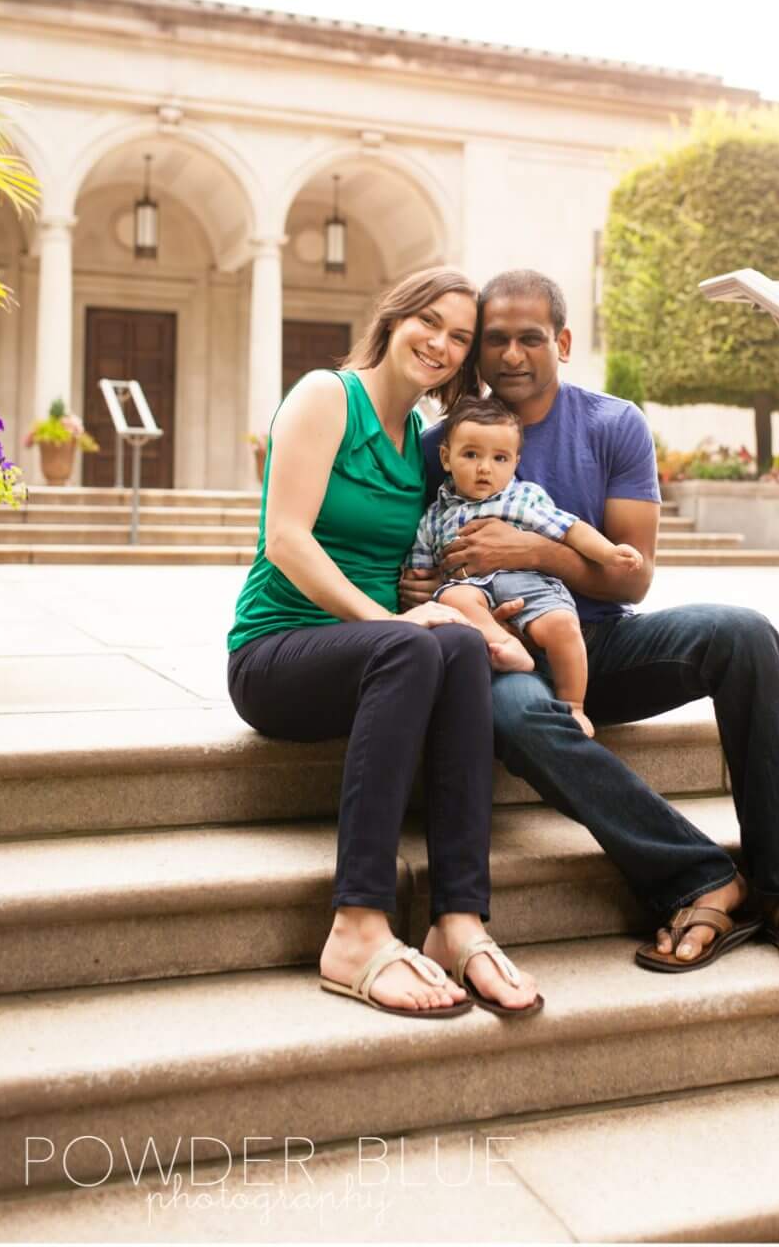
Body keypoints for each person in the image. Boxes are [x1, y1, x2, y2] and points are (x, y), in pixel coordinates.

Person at [399, 269, 779, 971]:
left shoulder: (613, 424)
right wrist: (425, 586)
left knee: (745, 635)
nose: (512, 355)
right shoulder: (440, 443)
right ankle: (700, 877)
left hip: (603, 640)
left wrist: (535, 549)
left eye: (531, 338)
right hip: (502, 653)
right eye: (496, 340)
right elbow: (418, 569)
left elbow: (633, 572)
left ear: (564, 341)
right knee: (517, 715)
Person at [227, 267, 543, 1019]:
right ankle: (357, 928)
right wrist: (394, 622)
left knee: (460, 647)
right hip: (279, 650)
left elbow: (417, 560)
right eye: (428, 322)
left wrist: (456, 606)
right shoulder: (324, 396)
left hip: (371, 656)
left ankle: (457, 921)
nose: (440, 343)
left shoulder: (423, 443)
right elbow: (286, 540)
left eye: (459, 338)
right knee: (414, 647)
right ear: (394, 316)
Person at [412, 394, 643, 737]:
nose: (484, 468)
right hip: (472, 592)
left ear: (515, 461)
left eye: (499, 458)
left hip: (531, 588)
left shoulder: (523, 498)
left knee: (564, 626)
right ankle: (502, 646)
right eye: (471, 454)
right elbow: (420, 566)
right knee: (454, 599)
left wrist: (608, 553)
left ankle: (574, 705)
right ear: (446, 458)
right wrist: (416, 585)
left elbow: (570, 528)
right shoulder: (435, 514)